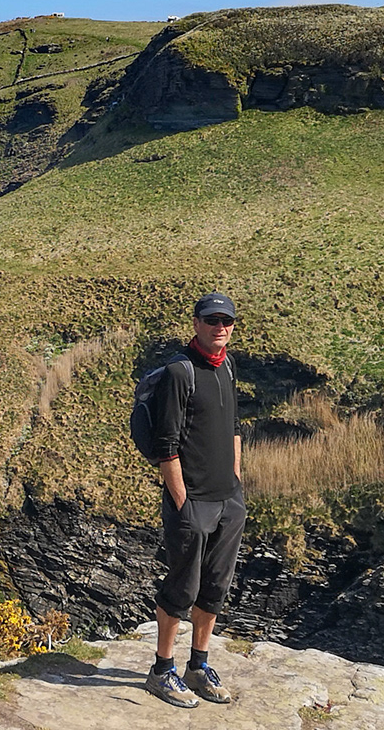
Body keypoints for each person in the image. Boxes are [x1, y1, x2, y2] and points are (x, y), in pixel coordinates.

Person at [142, 292, 245, 708]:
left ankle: (197, 666)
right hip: (193, 502)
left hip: (227, 501)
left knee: (215, 588)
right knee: (181, 587)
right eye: (212, 320)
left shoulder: (228, 367)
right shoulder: (179, 373)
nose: (220, 327)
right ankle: (161, 670)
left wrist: (235, 485)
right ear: (196, 324)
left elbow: (235, 426)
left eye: (227, 321)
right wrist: (182, 501)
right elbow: (166, 446)